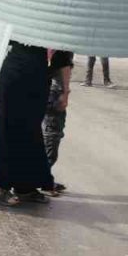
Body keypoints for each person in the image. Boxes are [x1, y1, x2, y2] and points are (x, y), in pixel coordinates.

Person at [0, 43, 72, 206]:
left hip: (39, 78)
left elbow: (63, 59)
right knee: (6, 128)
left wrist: (65, 91)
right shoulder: (19, 21)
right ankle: (2, 187)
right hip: (11, 74)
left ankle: (25, 187)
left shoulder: (54, 27)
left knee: (31, 131)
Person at [41, 50, 74, 195]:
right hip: (54, 91)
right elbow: (63, 65)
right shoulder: (61, 45)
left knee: (47, 135)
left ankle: (43, 178)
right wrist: (65, 93)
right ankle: (44, 180)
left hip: (45, 89)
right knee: (52, 136)